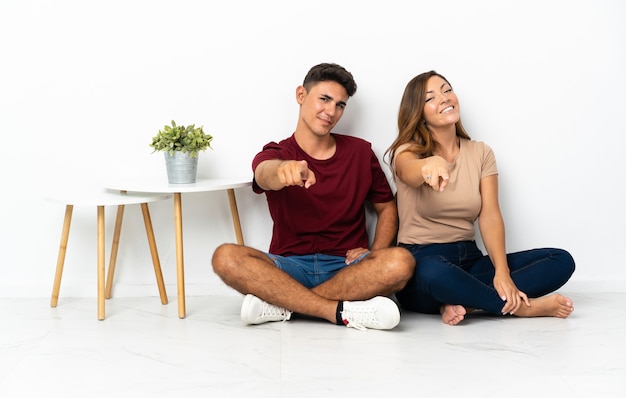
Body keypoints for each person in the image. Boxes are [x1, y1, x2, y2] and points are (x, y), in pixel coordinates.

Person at [212, 63, 415, 330]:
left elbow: (387, 207)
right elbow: (263, 173)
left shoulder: (361, 152)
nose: (331, 112)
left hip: (347, 267)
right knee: (224, 257)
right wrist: (283, 169)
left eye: (340, 105)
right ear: (301, 95)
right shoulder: (277, 152)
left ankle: (284, 306)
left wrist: (375, 254)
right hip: (288, 267)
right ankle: (338, 311)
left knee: (401, 262)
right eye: (324, 99)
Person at [385, 70, 575, 326]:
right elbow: (409, 171)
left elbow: (490, 215)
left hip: (469, 261)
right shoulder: (407, 152)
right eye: (430, 97)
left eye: (446, 89)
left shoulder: (481, 152)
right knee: (435, 272)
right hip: (422, 263)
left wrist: (502, 273)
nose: (444, 98)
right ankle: (518, 309)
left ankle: (467, 302)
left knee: (561, 260)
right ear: (418, 113)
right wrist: (428, 166)